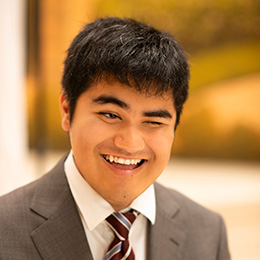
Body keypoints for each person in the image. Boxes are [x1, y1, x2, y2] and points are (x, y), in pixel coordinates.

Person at [0, 17, 230, 260]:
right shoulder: (5, 230)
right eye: (111, 115)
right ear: (67, 110)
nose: (130, 143)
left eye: (153, 122)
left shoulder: (207, 232)